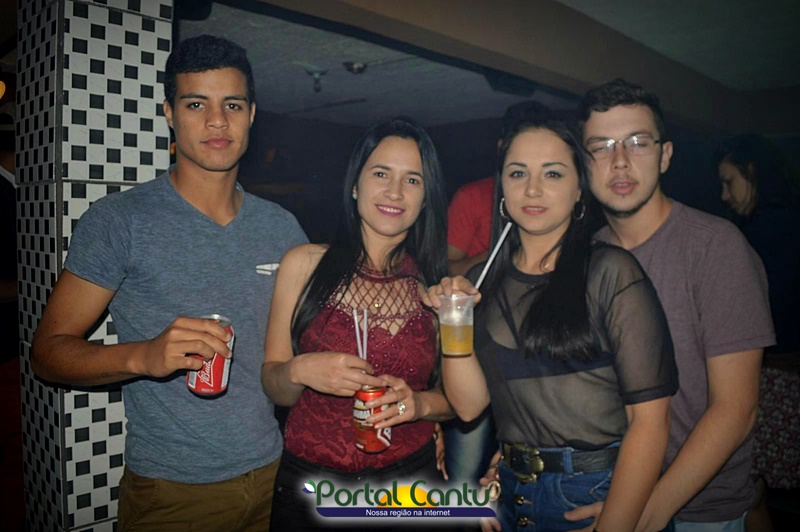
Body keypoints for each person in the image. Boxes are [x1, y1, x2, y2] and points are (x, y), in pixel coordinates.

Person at [31, 35, 307, 531]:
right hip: (174, 493)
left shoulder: (282, 227)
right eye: (197, 103)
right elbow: (47, 353)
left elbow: (309, 341)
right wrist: (143, 356)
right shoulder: (120, 221)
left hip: (276, 472)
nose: (217, 120)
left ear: (251, 115)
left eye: (232, 104)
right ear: (169, 114)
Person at [429, 107, 678, 531]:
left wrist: (617, 521)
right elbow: (469, 406)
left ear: (580, 188)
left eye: (553, 174)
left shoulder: (610, 272)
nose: (532, 189)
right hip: (513, 491)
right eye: (518, 173)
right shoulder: (483, 280)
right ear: (501, 186)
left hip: (597, 490)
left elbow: (651, 423)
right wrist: (451, 320)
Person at [564, 79, 775, 532]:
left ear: (665, 156)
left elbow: (735, 410)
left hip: (698, 508)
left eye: (638, 142)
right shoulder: (583, 260)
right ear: (584, 164)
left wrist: (643, 511)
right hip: (607, 489)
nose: (620, 161)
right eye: (601, 147)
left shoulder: (715, 247)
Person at [262, 117, 453, 530]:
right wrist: (299, 370)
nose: (395, 192)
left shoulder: (433, 287)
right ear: (354, 185)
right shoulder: (304, 264)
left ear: (426, 198)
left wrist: (419, 405)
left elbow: (457, 400)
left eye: (413, 180)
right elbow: (273, 385)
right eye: (381, 173)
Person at [443, 102, 546, 489]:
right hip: (476, 346)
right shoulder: (472, 196)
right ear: (502, 147)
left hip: (528, 351)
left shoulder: (549, 204)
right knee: (465, 474)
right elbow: (450, 268)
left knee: (523, 472)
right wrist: (501, 255)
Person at [717, 134, 800, 529]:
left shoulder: (761, 235)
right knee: (754, 493)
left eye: (729, 182)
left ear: (752, 173)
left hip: (773, 381)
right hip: (779, 379)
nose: (724, 195)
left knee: (747, 491)